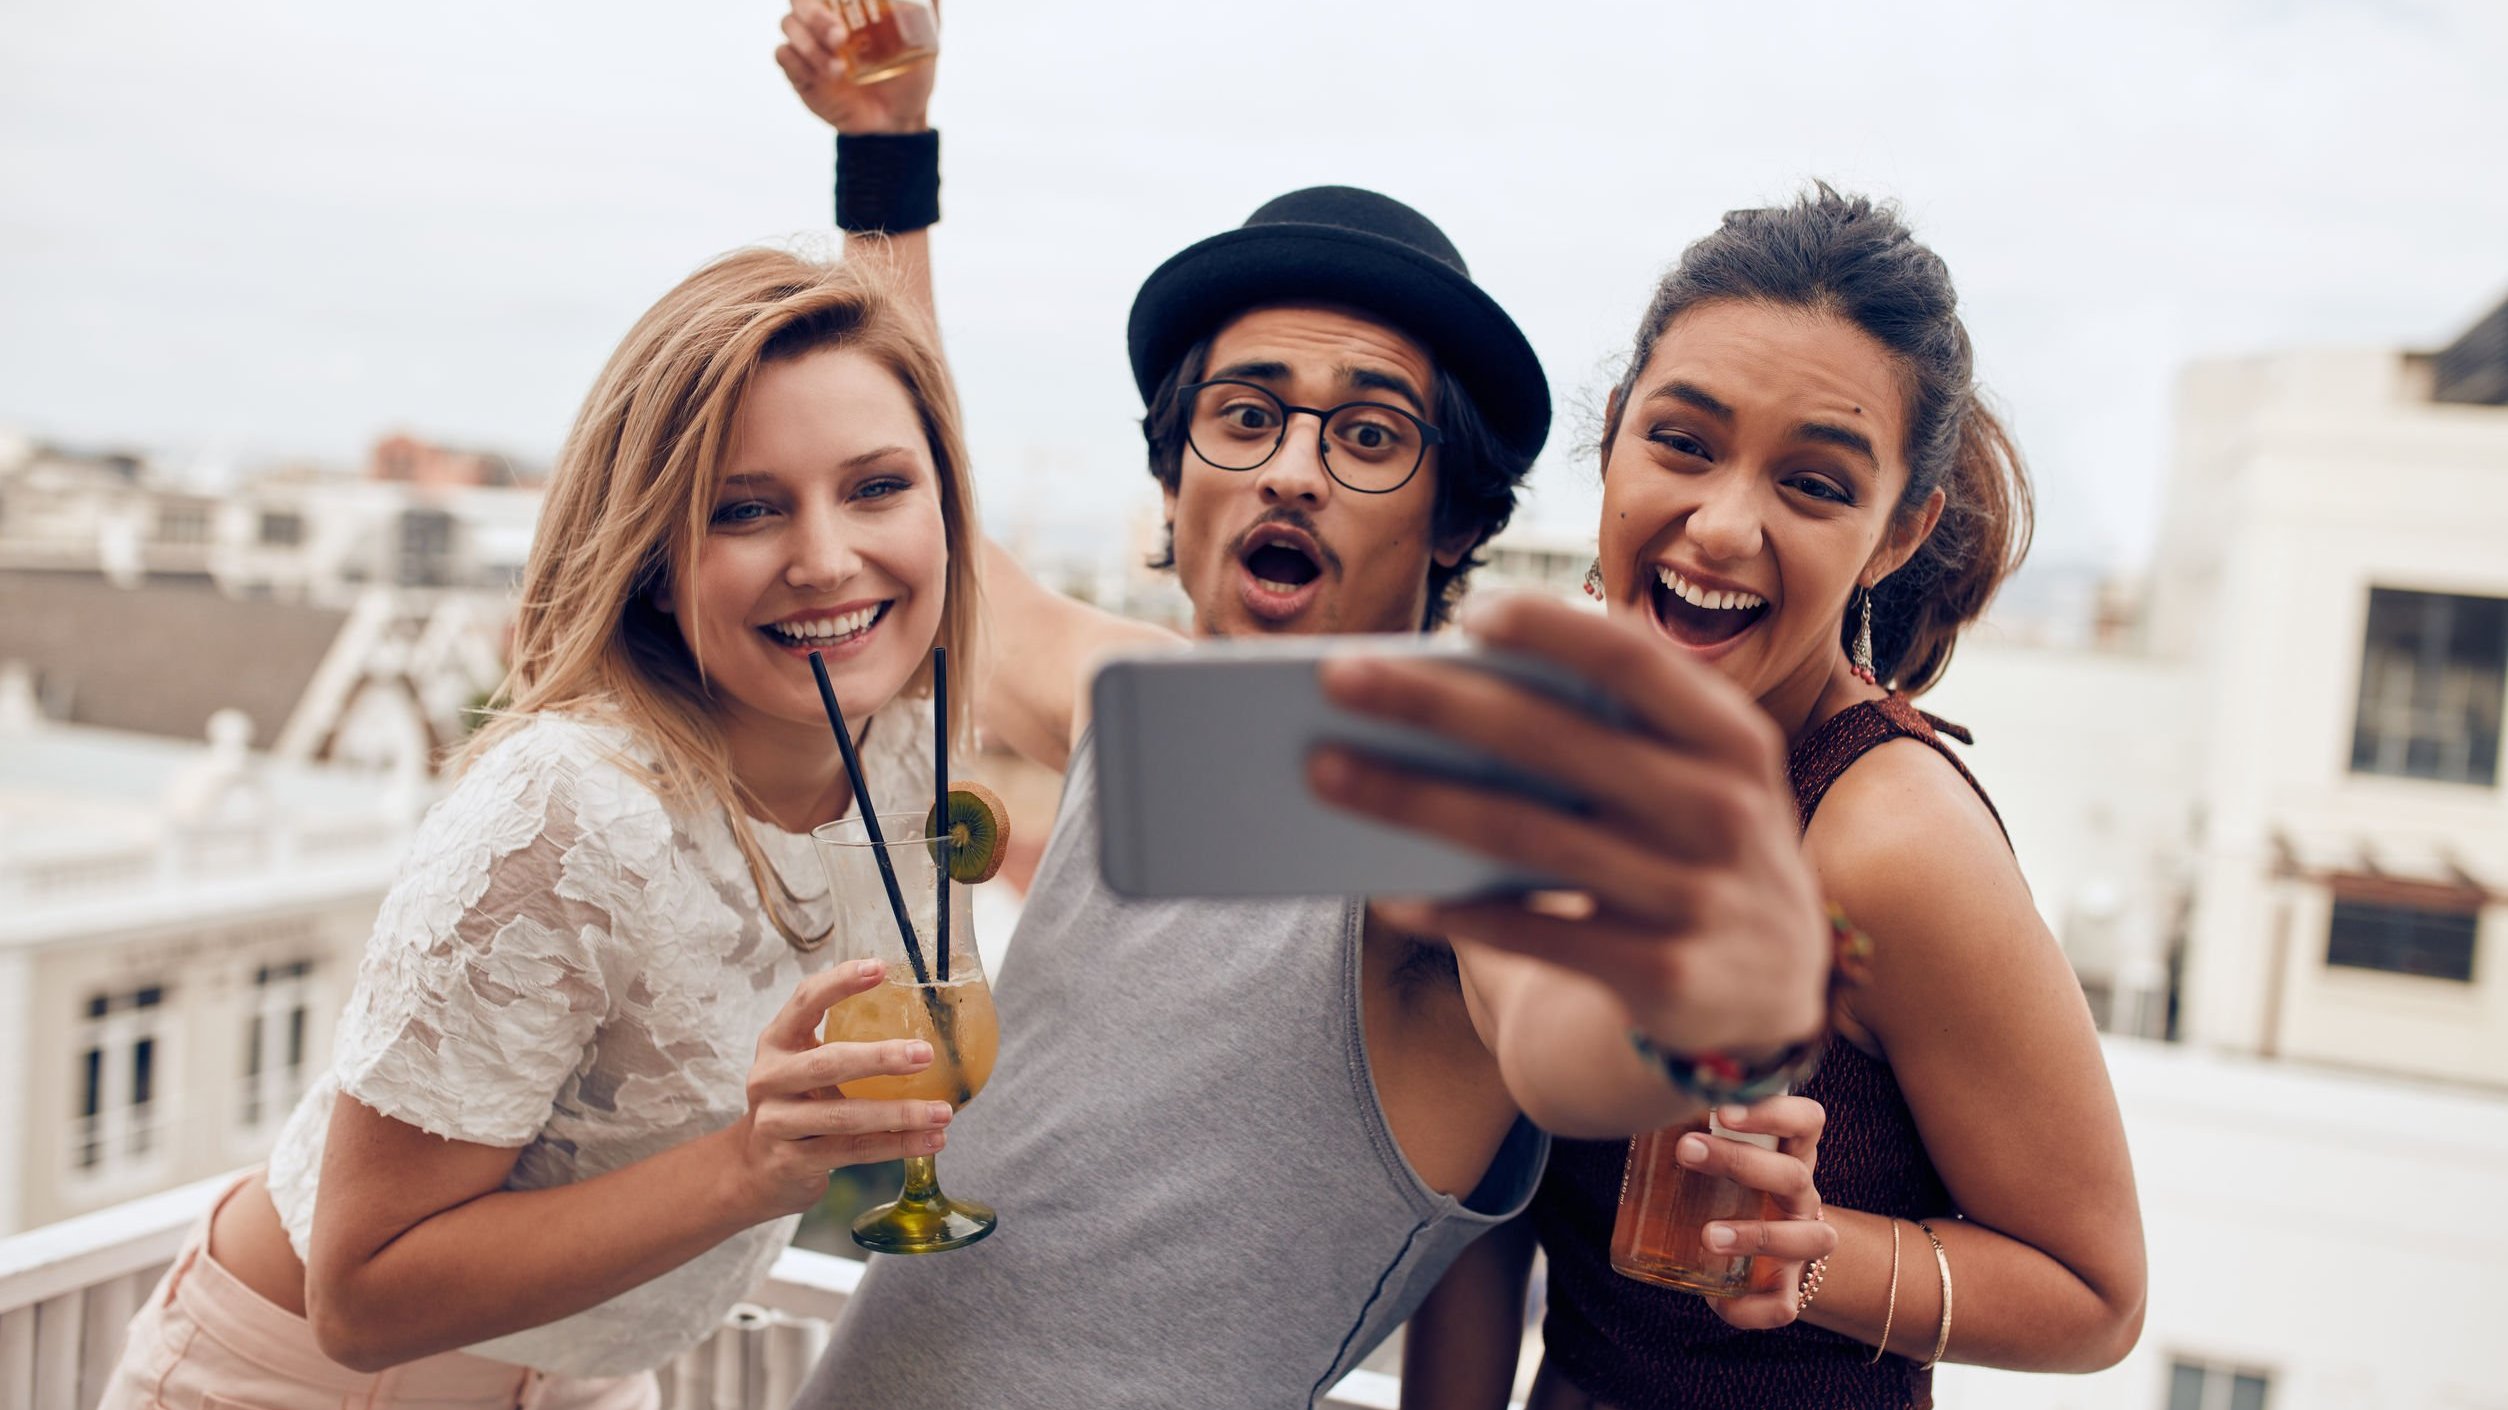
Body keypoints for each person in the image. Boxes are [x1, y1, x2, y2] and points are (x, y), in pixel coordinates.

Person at [776, 13, 1840, 1406]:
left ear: (1454, 518)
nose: (1291, 469)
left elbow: (1559, 1041)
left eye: (1370, 434)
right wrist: (885, 152)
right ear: (1173, 482)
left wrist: (1694, 1018)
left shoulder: (1436, 782)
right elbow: (931, 514)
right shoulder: (1145, 708)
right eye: (1246, 414)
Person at [100, 249, 982, 1409]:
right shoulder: (567, 808)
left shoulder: (914, 747)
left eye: (876, 487)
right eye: (745, 510)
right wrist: (748, 1168)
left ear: (947, 507)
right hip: (297, 1385)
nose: (825, 559)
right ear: (658, 562)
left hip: (581, 1383)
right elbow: (358, 1302)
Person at [1330, 187, 2148, 1409]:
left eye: (1814, 484)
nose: (1720, 527)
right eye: (1685, 443)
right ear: (1613, 436)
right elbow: (1489, 1202)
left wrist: (1815, 1250)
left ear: (1896, 533)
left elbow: (2097, 1297)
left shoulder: (1886, 838)